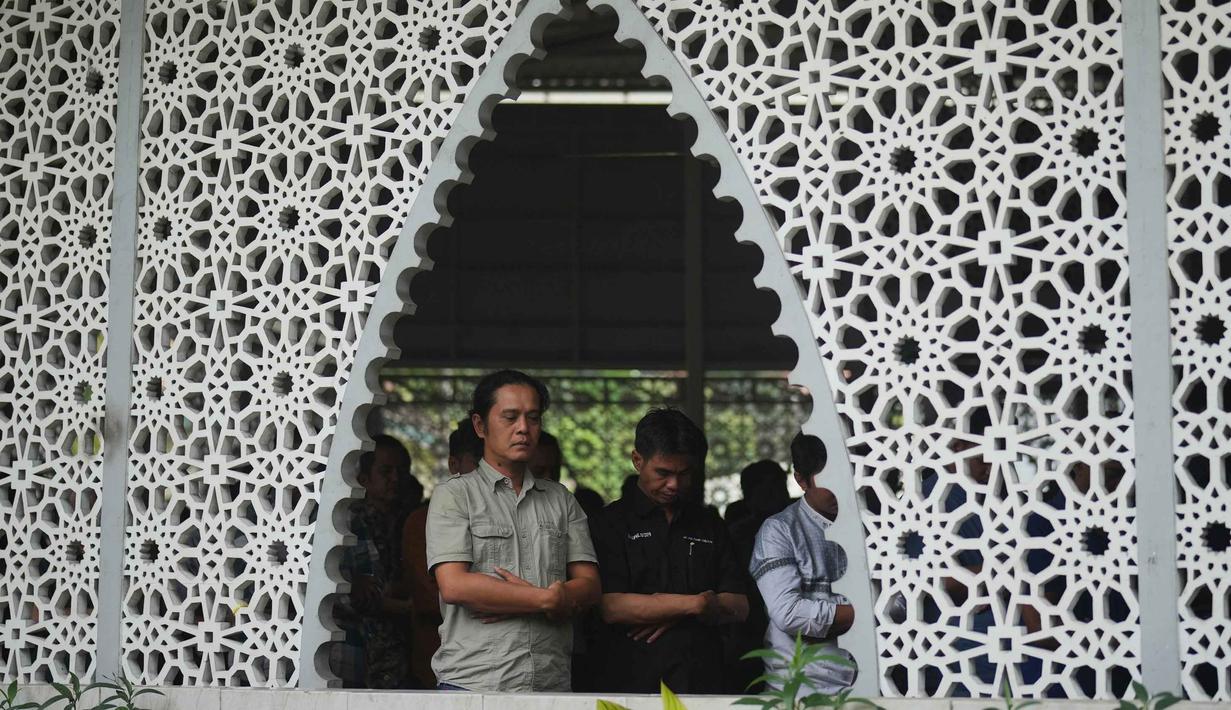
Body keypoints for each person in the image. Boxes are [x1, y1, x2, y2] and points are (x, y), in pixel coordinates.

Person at [425, 370, 601, 692]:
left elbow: (590, 586)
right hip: (473, 685)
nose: (523, 428)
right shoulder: (454, 495)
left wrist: (510, 598)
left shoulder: (561, 499)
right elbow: (455, 586)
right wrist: (546, 599)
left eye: (533, 418)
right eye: (510, 417)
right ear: (480, 426)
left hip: (550, 684)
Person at [592, 408, 748, 694]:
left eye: (685, 473)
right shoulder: (608, 523)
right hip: (630, 684)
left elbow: (739, 605)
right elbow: (611, 607)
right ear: (637, 460)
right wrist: (696, 605)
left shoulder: (709, 524)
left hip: (703, 681)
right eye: (663, 473)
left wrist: (663, 608)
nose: (674, 484)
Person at [749, 433, 856, 694]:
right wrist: (862, 614)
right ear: (800, 479)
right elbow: (789, 613)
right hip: (802, 689)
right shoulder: (779, 531)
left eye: (846, 476)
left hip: (873, 681)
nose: (839, 489)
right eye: (827, 481)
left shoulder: (869, 523)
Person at [400, 419, 484, 688]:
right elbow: (431, 595)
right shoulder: (421, 521)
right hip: (441, 658)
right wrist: (520, 599)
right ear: (453, 465)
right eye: (479, 460)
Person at [336, 435, 415, 688]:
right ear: (364, 479)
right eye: (386, 471)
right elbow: (364, 595)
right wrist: (405, 606)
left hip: (395, 657)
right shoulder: (351, 523)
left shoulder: (403, 520)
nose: (396, 479)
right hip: (361, 654)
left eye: (401, 471)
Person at [726, 459, 792, 693]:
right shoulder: (739, 534)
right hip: (750, 625)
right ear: (749, 495)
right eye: (768, 490)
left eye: (779, 487)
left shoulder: (801, 525)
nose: (777, 496)